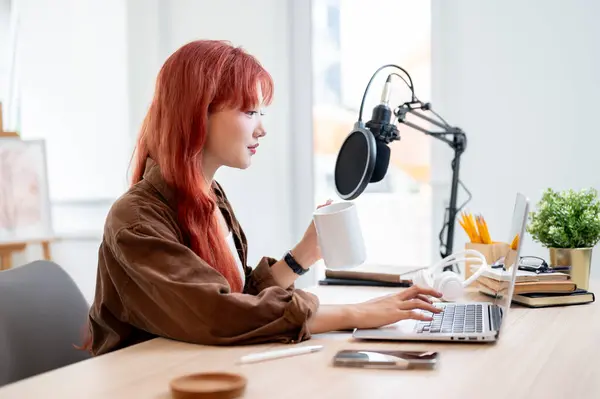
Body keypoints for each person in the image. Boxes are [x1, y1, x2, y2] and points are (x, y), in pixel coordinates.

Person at [86, 40, 442, 356]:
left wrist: (304, 253)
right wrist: (357, 313)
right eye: (249, 111)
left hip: (199, 367)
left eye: (261, 112)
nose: (262, 128)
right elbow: (219, 315)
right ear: (196, 113)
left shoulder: (211, 197)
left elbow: (239, 298)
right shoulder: (135, 220)